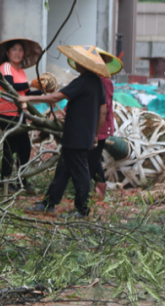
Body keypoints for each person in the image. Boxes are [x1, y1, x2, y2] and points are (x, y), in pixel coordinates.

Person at [17, 45, 111, 218]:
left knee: (81, 172)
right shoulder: (97, 82)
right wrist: (96, 134)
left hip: (77, 135)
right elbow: (103, 110)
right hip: (81, 134)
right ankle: (49, 204)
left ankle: (82, 210)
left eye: (78, 61)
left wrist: (28, 97)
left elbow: (56, 97)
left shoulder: (82, 81)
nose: (75, 63)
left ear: (83, 64)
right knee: (63, 169)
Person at [0, 38, 43, 194]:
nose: (17, 53)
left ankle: (21, 182)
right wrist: (31, 83)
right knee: (11, 147)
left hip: (19, 114)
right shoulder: (5, 67)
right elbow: (11, 87)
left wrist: (43, 91)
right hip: (6, 113)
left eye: (20, 50)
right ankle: (6, 184)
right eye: (14, 49)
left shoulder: (22, 72)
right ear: (7, 53)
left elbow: (25, 93)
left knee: (25, 148)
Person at [77, 49, 123, 203]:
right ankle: (98, 191)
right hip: (89, 126)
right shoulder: (87, 79)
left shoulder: (105, 82)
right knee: (95, 160)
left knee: (91, 160)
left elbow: (105, 107)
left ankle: (87, 195)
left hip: (100, 127)